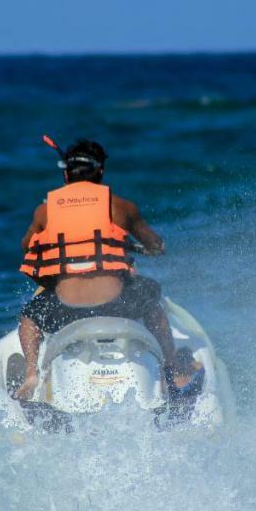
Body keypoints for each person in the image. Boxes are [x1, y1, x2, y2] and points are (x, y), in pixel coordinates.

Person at [13, 137, 194, 402]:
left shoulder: (45, 210)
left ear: (66, 173)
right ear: (101, 171)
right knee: (152, 298)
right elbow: (155, 244)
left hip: (65, 310)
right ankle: (172, 366)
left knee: (29, 317)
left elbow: (26, 246)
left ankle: (31, 374)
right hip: (117, 304)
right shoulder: (121, 207)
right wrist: (145, 247)